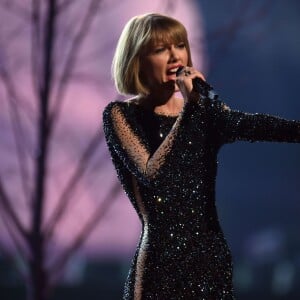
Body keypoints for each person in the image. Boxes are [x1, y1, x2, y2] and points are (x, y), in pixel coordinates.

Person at [102, 13, 300, 299]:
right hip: (161, 263)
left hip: (211, 260)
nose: (174, 57)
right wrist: (191, 109)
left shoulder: (204, 112)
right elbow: (154, 173)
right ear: (137, 60)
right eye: (160, 50)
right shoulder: (121, 115)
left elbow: (254, 124)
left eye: (180, 46)